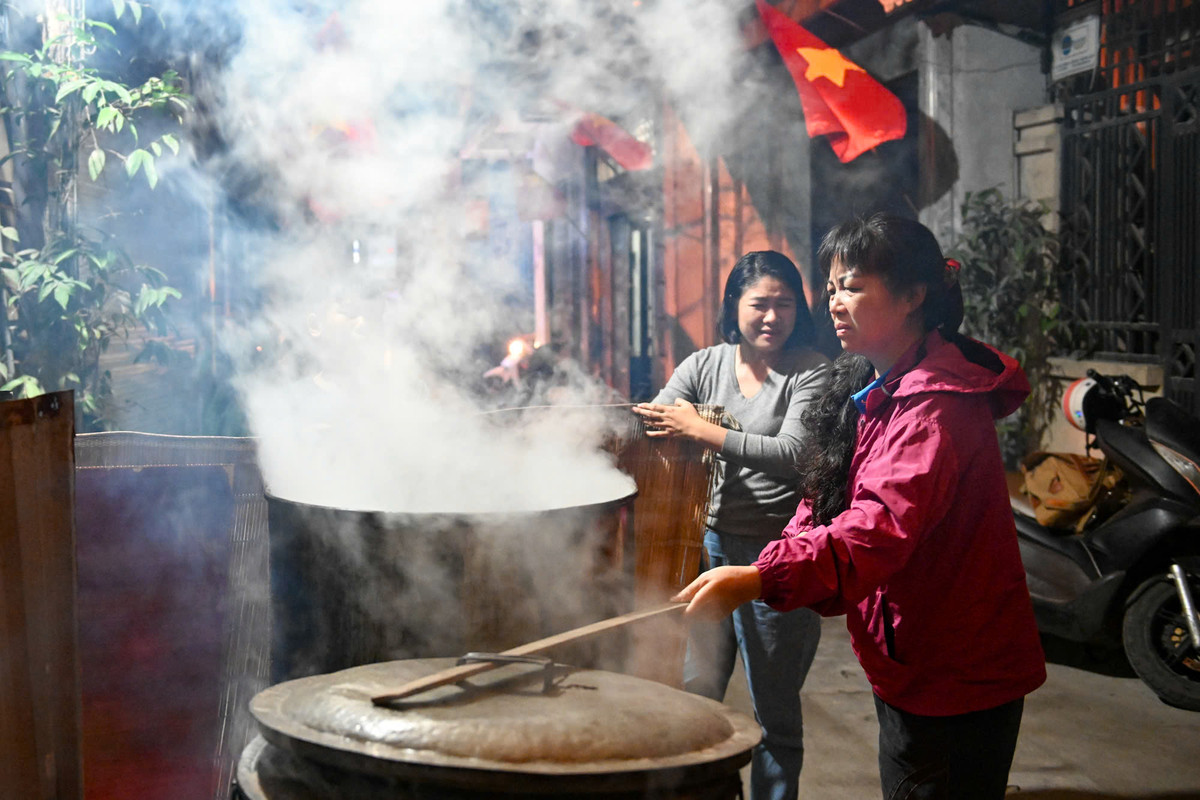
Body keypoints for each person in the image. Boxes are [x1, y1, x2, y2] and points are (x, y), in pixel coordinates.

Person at [673, 214, 1047, 800]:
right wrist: (771, 561)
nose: (834, 304)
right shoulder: (872, 384)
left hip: (957, 668)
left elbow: (875, 528)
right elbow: (823, 500)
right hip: (906, 654)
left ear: (913, 295)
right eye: (830, 290)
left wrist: (758, 577)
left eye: (851, 286)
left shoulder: (934, 409)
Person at [633, 250, 830, 800]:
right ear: (733, 308)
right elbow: (662, 417)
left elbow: (794, 453)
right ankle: (703, 791)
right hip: (711, 546)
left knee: (775, 710)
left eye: (784, 304)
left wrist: (701, 429)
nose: (772, 317)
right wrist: (653, 417)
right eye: (759, 304)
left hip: (781, 559)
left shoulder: (811, 370)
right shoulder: (705, 365)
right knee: (698, 691)